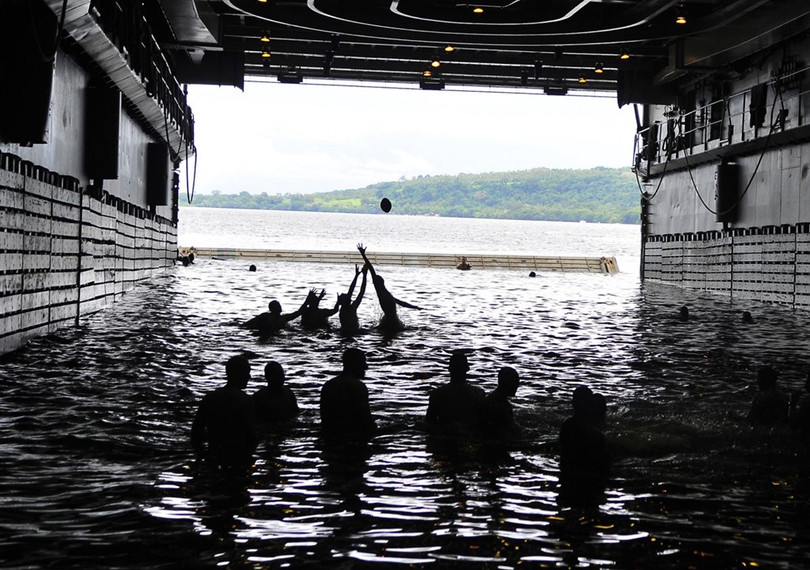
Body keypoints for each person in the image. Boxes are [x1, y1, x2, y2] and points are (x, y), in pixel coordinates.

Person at [191, 355, 257, 468]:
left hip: (213, 455)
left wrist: (202, 454)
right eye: (247, 373)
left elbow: (196, 432)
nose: (249, 377)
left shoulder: (209, 398)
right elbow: (250, 436)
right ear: (239, 375)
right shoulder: (246, 401)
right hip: (237, 457)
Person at [558, 386, 610, 507]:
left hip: (568, 480)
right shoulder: (595, 435)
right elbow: (603, 467)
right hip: (588, 484)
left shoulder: (567, 425)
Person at [357, 243, 421, 331]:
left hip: (389, 319)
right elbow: (371, 269)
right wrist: (363, 254)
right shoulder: (382, 292)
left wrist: (415, 307)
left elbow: (401, 302)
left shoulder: (385, 293)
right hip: (391, 320)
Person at [320, 348, 376, 439]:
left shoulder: (329, 385)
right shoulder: (357, 386)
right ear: (354, 364)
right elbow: (366, 419)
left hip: (329, 435)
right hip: (353, 436)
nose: (366, 367)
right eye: (363, 362)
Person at [425, 350, 486, 429]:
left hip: (444, 433)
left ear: (449, 369)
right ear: (467, 368)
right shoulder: (478, 394)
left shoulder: (437, 394)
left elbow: (429, 422)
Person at [480, 366, 520, 436]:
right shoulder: (497, 405)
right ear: (507, 383)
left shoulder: (495, 401)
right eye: (515, 382)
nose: (517, 385)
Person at [337, 264, 368, 335]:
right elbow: (361, 292)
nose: (348, 295)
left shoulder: (344, 308)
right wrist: (364, 275)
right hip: (354, 332)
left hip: (344, 332)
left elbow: (352, 290)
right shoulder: (352, 308)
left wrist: (357, 276)